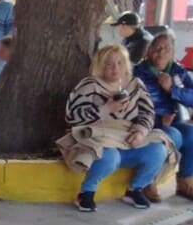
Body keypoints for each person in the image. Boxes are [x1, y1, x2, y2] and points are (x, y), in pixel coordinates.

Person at [64, 45, 166, 212]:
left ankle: (135, 189)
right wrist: (106, 109)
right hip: (99, 141)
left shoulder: (135, 84)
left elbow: (148, 113)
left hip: (127, 140)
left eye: (119, 63)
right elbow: (72, 116)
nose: (115, 68)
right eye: (108, 64)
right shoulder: (90, 85)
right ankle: (86, 192)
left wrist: (141, 131)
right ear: (100, 66)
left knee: (158, 150)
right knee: (110, 156)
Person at [134, 32, 193, 201]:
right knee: (173, 136)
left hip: (173, 121)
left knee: (190, 134)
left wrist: (172, 90)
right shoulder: (138, 72)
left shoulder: (178, 71)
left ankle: (185, 181)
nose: (161, 52)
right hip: (147, 124)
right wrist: (159, 120)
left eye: (166, 48)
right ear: (148, 50)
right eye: (156, 48)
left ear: (173, 52)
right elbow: (131, 103)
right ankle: (148, 181)